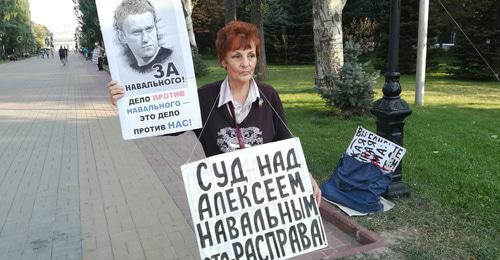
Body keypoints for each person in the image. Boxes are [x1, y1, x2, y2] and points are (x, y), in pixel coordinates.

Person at [108, 21, 321, 204]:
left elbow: (284, 140)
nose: (246, 64)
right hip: (224, 200)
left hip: (265, 196)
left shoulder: (268, 95)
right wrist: (128, 106)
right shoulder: (205, 98)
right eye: (237, 56)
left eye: (251, 55)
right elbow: (169, 125)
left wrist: (306, 174)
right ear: (223, 61)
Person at [113, 0, 172, 73]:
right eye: (136, 32)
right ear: (122, 37)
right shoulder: (130, 71)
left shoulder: (172, 57)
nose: (145, 39)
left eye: (149, 29)